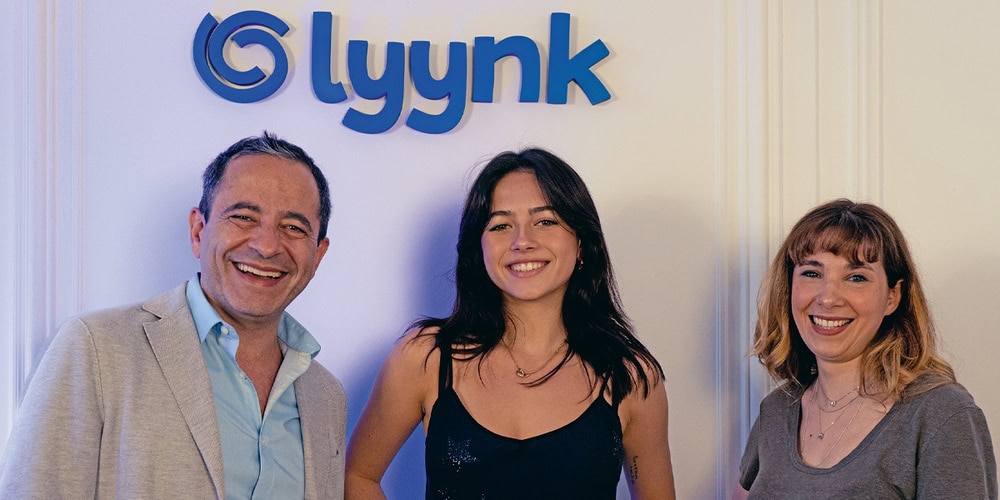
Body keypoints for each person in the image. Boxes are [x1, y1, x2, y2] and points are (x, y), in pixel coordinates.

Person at [0, 132, 347, 499]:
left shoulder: (325, 396)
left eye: (293, 228)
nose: (266, 246)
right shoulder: (95, 349)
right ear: (198, 231)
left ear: (318, 255)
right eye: (243, 217)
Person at [345, 148, 675, 499]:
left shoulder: (631, 377)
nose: (523, 242)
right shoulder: (426, 358)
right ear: (479, 249)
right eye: (501, 225)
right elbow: (358, 475)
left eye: (545, 221)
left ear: (582, 244)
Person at [735, 199, 997, 499]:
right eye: (812, 273)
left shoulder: (941, 414)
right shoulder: (776, 410)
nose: (828, 298)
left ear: (892, 297)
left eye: (856, 277)